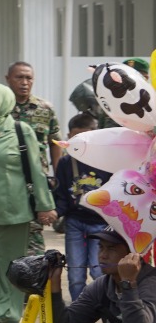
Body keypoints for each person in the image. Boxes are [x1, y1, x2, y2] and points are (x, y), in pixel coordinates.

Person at [0, 82, 55, 323]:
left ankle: (12, 314)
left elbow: (36, 171)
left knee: (12, 265)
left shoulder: (20, 130)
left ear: (4, 101)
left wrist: (44, 205)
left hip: (13, 209)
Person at [49, 232, 156, 323]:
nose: (102, 255)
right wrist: (55, 283)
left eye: (111, 249)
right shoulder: (102, 285)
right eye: (101, 247)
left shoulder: (151, 282)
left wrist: (128, 284)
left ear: (133, 255)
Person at [55, 112, 112, 300]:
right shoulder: (65, 162)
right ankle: (79, 316)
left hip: (101, 225)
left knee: (99, 272)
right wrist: (56, 212)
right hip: (75, 223)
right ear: (69, 137)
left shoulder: (108, 162)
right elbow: (62, 193)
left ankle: (105, 311)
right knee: (75, 274)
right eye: (76, 137)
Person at [7, 61, 58, 258]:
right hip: (8, 180)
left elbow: (55, 141)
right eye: (19, 77)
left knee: (35, 232)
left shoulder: (45, 109)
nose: (24, 82)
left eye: (29, 78)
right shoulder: (1, 108)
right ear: (8, 79)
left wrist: (54, 173)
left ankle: (34, 278)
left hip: (37, 181)